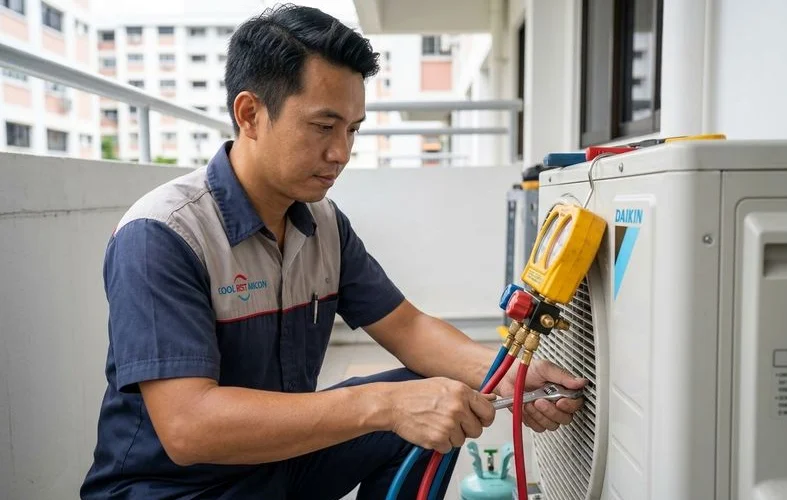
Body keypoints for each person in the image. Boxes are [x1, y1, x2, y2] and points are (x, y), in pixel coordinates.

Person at [80, 4, 586, 499]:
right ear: (250, 114)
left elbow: (407, 327)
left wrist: (509, 379)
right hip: (175, 488)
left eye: (353, 129)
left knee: (440, 396)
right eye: (324, 127)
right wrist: (384, 404)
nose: (342, 152)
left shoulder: (323, 224)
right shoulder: (163, 235)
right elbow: (189, 428)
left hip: (278, 466)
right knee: (399, 405)